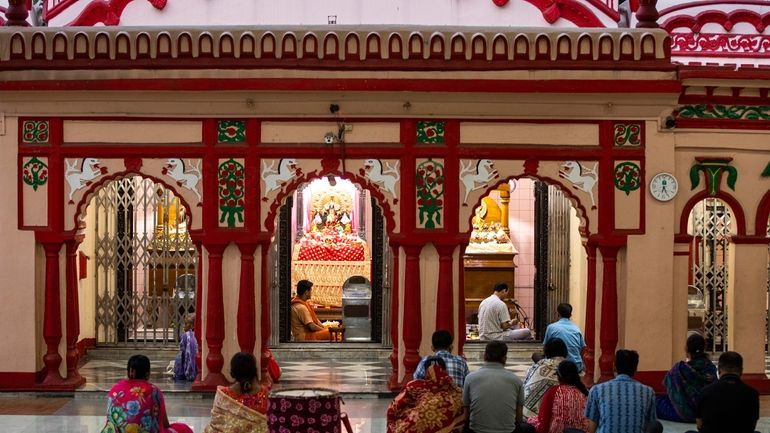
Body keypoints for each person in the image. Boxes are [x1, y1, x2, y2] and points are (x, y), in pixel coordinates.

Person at [101, 355, 193, 433]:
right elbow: (165, 424)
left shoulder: (115, 389)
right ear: (147, 374)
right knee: (183, 428)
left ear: (129, 372)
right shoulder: (154, 391)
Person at [463, 341, 532, 433]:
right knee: (528, 428)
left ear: (485, 356)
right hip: (508, 431)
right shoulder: (516, 380)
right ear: (505, 358)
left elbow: (466, 412)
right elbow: (518, 417)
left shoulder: (470, 378)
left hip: (476, 431)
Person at [387, 356, 466, 433]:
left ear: (426, 372)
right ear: (445, 371)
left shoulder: (413, 386)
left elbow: (394, 407)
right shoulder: (455, 391)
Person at [584, 349, 656, 433]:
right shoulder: (648, 392)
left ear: (614, 367)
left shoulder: (597, 390)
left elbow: (591, 429)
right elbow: (651, 426)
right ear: (635, 369)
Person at [687, 351, 759, 433]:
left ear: (719, 369)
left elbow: (699, 425)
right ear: (741, 371)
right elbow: (752, 426)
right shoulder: (752, 394)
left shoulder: (705, 392)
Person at [655, 333, 716, 422]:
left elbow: (668, 385)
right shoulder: (711, 368)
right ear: (704, 348)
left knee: (654, 401)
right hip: (705, 413)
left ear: (687, 349)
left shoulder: (679, 369)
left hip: (682, 414)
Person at [204, 352, 269, 433]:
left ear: (233, 372)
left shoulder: (223, 396)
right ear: (254, 371)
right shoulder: (264, 394)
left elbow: (215, 426)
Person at [526, 360, 589, 433]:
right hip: (580, 430)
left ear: (559, 377)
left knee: (529, 422)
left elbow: (544, 419)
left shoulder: (554, 391)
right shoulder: (583, 392)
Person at [522, 338, 568, 417]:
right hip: (546, 418)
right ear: (565, 351)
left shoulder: (535, 367)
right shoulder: (567, 369)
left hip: (523, 414)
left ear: (546, 352)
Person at [543, 303, 586, 372]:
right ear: (570, 315)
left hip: (557, 366)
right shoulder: (576, 329)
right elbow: (583, 349)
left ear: (557, 314)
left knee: (536, 356)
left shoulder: (551, 327)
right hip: (576, 366)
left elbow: (545, 348)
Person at [173, 313, 198, 381]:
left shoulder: (185, 336)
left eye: (186, 324)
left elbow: (183, 352)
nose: (184, 326)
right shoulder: (199, 335)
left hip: (189, 371)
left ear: (192, 326)